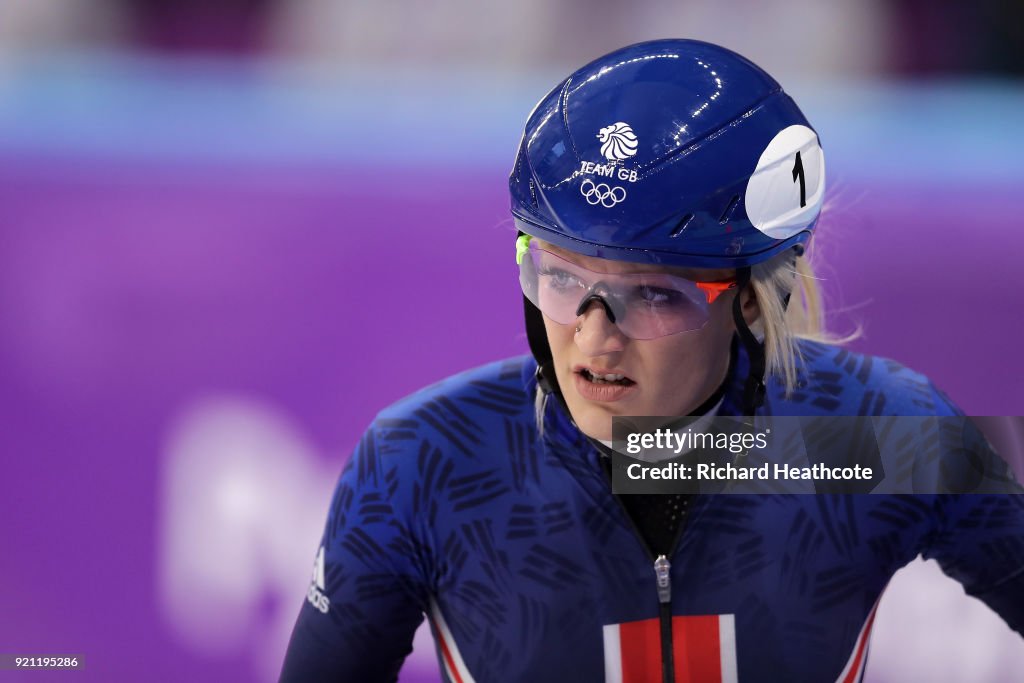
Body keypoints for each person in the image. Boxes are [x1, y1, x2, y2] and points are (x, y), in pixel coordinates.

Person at [279, 39, 1024, 682]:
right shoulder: (421, 462)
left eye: (654, 294)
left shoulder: (874, 439)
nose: (595, 338)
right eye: (561, 277)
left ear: (752, 298)